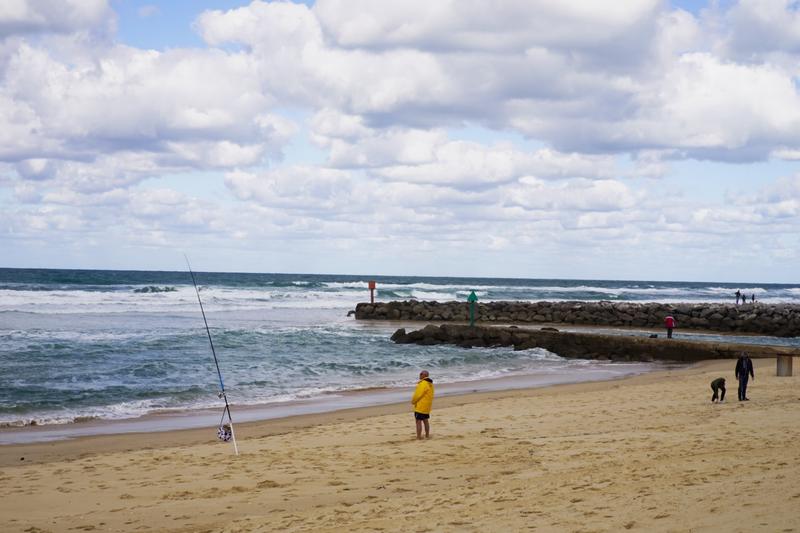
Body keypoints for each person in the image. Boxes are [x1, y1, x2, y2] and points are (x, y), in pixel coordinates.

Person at [411, 370, 434, 439]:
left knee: (418, 421)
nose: (419, 375)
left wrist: (413, 401)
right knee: (425, 420)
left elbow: (418, 395)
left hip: (421, 406)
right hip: (427, 406)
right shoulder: (430, 384)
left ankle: (418, 437)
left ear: (424, 375)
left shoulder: (423, 383)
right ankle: (427, 435)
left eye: (421, 374)